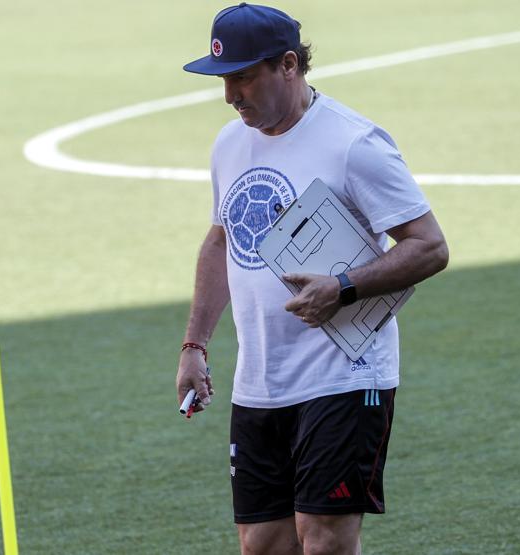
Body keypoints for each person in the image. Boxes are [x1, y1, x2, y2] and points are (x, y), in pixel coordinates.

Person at [175, 4, 450, 554]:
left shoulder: (353, 144)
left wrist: (342, 287)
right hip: (260, 380)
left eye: (243, 76)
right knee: (262, 544)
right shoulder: (229, 145)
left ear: (289, 65)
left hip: (344, 376)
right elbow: (221, 240)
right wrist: (194, 343)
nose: (231, 94)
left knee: (322, 542)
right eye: (225, 79)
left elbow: (429, 246)